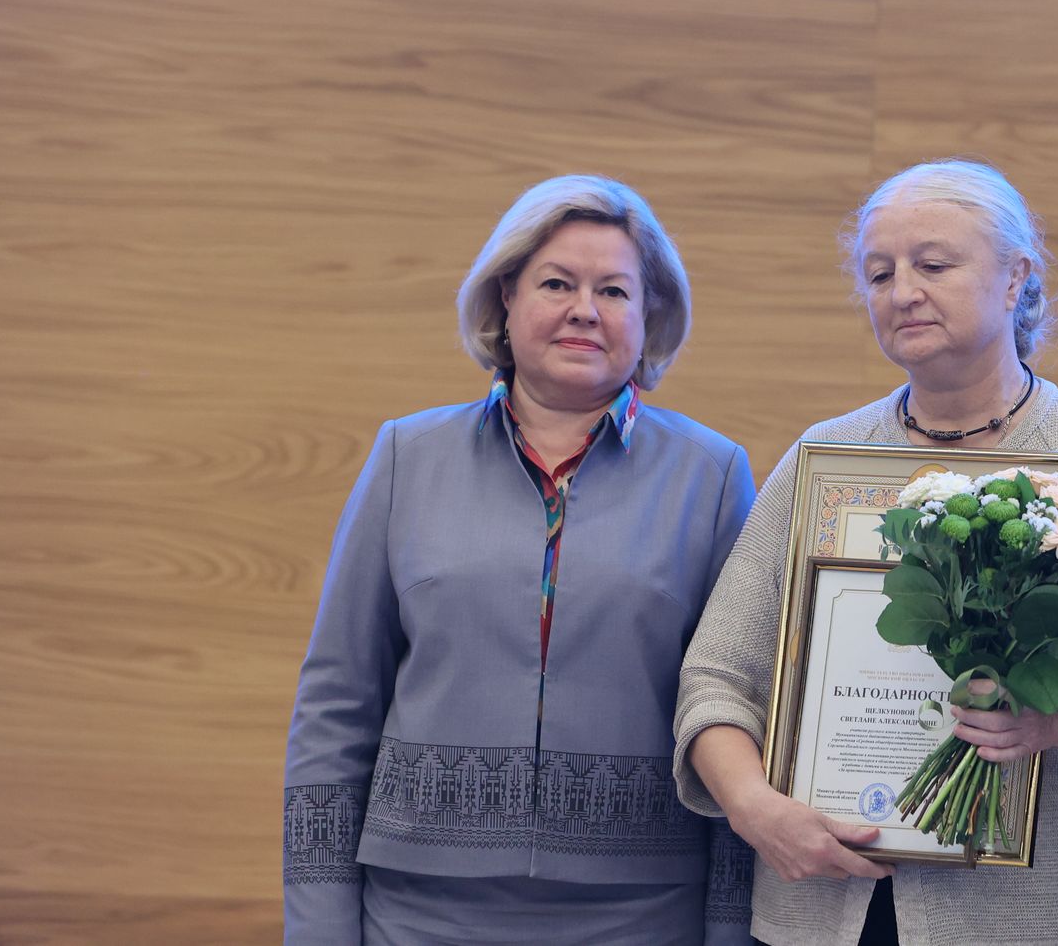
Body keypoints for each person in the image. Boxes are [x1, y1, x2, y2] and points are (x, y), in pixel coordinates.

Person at [673, 160, 1058, 946]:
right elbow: (716, 681)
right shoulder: (824, 459)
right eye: (879, 272)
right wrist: (758, 812)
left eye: (932, 264)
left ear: (1016, 277)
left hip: (1030, 923)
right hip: (819, 912)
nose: (902, 292)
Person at [282, 175, 758, 946]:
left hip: (641, 919)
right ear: (505, 295)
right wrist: (318, 927)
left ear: (649, 313)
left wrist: (731, 929)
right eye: (557, 283)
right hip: (416, 916)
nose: (584, 309)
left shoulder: (712, 476)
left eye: (614, 290)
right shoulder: (406, 455)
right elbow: (336, 706)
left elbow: (739, 711)